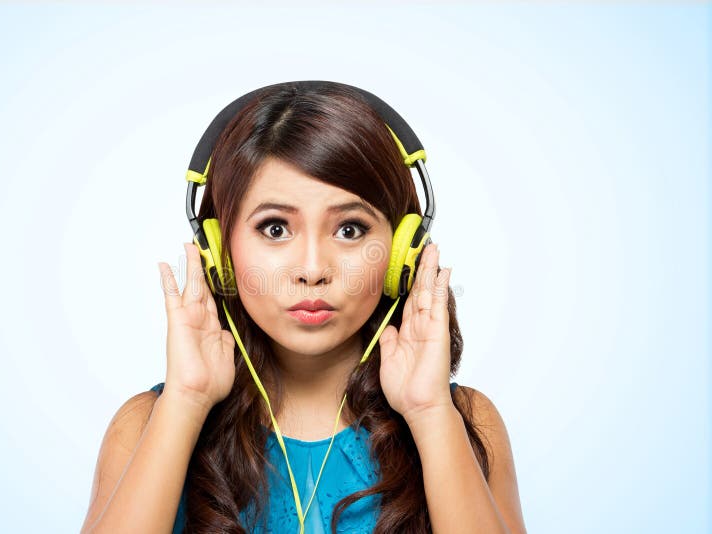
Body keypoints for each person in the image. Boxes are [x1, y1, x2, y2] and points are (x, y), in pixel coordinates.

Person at [81, 81, 526, 533]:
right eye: (275, 229)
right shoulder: (144, 426)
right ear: (219, 251)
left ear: (401, 253)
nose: (312, 270)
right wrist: (186, 402)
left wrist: (430, 415)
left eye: (350, 229)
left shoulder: (466, 421)